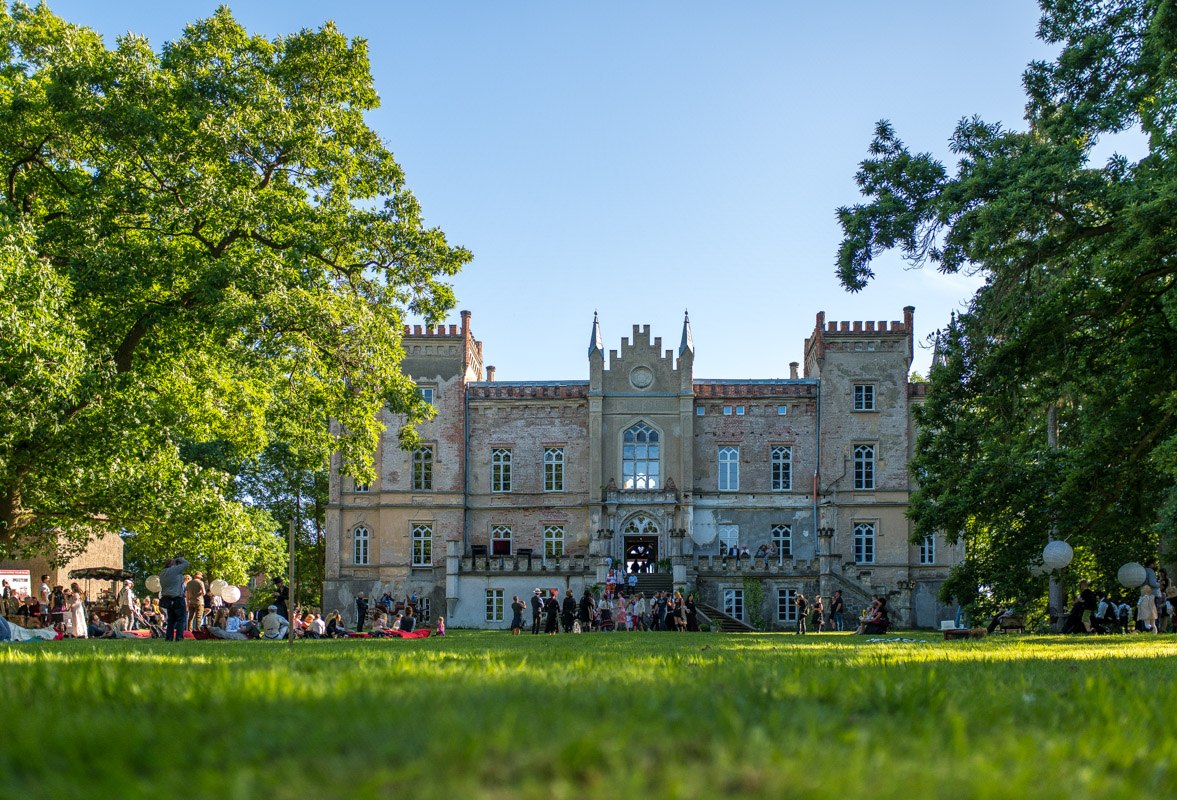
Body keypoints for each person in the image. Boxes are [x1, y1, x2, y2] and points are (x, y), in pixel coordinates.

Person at [159, 556, 189, 641]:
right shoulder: (174, 570)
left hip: (167, 598)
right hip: (177, 597)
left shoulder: (162, 573)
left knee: (171, 620)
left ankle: (169, 637)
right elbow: (186, 563)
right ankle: (179, 637)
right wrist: (179, 559)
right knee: (181, 618)